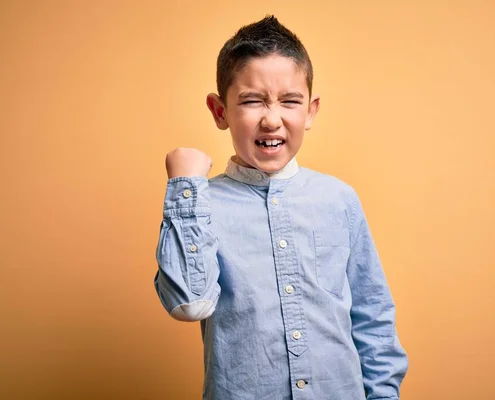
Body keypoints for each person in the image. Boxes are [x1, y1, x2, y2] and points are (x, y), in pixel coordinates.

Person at [154, 15, 408, 400]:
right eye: (252, 101)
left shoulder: (339, 200)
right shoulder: (199, 205)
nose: (272, 119)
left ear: (310, 111)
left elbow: (373, 319)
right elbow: (190, 303)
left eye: (290, 101)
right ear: (220, 111)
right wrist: (185, 188)